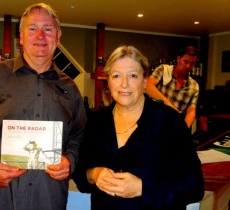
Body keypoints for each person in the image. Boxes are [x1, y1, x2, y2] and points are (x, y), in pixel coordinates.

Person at [0, 3, 86, 210]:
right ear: (21, 37)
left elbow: (78, 137)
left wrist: (70, 160)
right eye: (32, 28)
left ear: (58, 36)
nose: (40, 36)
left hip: (48, 201)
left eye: (48, 29)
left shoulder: (71, 88)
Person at [73, 45, 204, 210]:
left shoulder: (170, 122)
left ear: (144, 81)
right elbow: (80, 174)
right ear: (108, 81)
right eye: (116, 76)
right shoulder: (95, 121)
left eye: (133, 76)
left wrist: (143, 188)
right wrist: (94, 174)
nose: (124, 84)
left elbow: (194, 187)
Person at [145, 46, 199, 128]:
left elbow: (191, 112)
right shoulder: (163, 70)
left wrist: (183, 129)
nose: (188, 66)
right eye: (185, 61)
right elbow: (148, 86)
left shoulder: (194, 86)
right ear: (178, 59)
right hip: (153, 124)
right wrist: (171, 107)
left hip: (173, 128)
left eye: (191, 64)